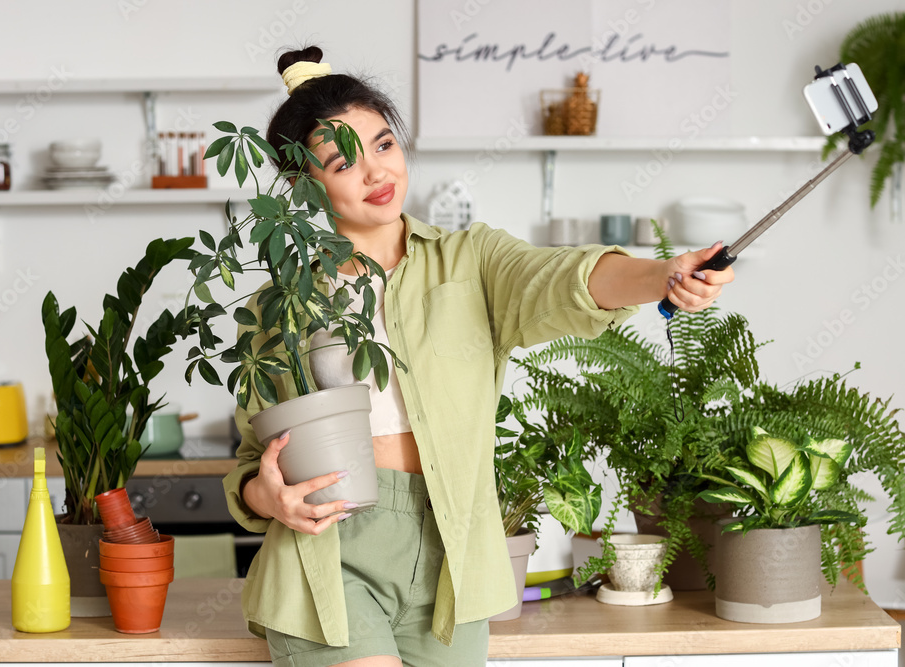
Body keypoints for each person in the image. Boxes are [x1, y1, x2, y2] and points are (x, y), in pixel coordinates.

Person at [223, 46, 735, 667]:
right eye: (342, 162)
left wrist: (663, 274)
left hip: (450, 558)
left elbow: (561, 278)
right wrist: (266, 497)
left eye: (384, 145)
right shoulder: (278, 304)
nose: (376, 172)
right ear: (306, 184)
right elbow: (254, 463)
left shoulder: (473, 261)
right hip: (328, 551)